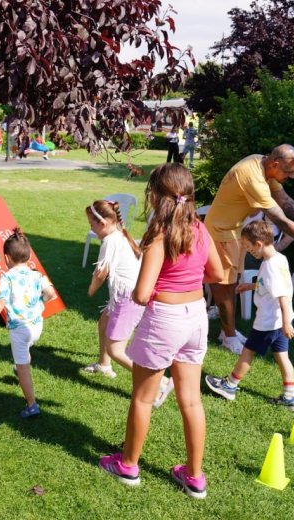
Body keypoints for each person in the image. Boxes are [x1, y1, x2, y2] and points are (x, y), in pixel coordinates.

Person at [99, 164, 224, 499]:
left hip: (165, 320)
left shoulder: (159, 234)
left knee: (142, 397)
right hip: (197, 317)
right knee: (192, 401)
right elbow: (218, 272)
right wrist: (188, 282)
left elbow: (141, 293)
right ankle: (194, 477)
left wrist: (161, 293)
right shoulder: (199, 228)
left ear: (155, 195)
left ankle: (127, 465)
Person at [204, 144, 294, 354]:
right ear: (275, 164)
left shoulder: (264, 165)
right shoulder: (252, 177)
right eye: (289, 172)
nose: (292, 176)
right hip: (220, 232)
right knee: (223, 286)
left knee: (231, 284)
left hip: (234, 231)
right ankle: (229, 337)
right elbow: (281, 219)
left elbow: (284, 201)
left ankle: (227, 331)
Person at [204, 220, 294, 410]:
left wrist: (287, 322)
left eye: (249, 247)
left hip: (269, 322)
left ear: (259, 244)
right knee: (282, 357)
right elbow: (271, 285)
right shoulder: (279, 259)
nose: (249, 251)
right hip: (278, 321)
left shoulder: (270, 265)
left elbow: (281, 295)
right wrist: (251, 286)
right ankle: (290, 397)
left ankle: (230, 385)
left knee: (247, 352)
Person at [0, 228, 58, 418]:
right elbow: (50, 293)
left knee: (23, 366)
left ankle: (32, 405)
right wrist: (41, 302)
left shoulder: (6, 278)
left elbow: (1, 299)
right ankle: (18, 368)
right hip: (36, 326)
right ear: (29, 254)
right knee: (25, 352)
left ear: (6, 258)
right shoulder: (36, 275)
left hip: (19, 329)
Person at [82, 199, 143, 378]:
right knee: (103, 324)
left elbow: (101, 273)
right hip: (123, 296)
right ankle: (103, 365)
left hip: (127, 299)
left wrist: (91, 290)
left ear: (102, 223)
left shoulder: (110, 240)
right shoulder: (121, 234)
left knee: (116, 350)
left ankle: (159, 383)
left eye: (92, 224)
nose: (91, 228)